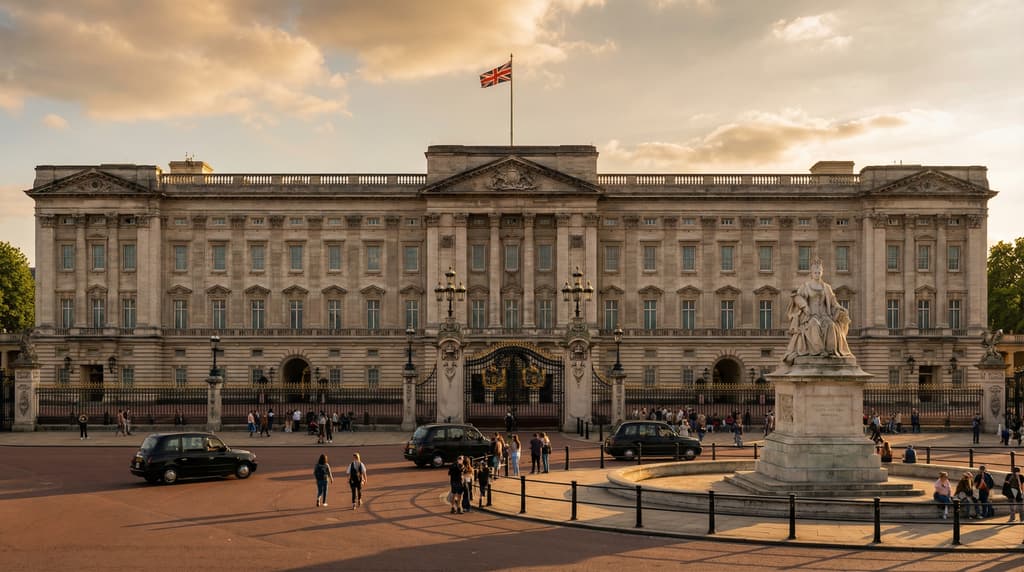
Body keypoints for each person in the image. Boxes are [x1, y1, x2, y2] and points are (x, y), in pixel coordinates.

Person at [783, 257, 852, 365]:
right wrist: (804, 306)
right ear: (811, 273)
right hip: (810, 316)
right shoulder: (805, 286)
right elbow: (796, 297)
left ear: (822, 272)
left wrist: (841, 308)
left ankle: (830, 351)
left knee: (831, 325)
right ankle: (819, 351)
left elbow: (833, 302)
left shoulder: (826, 287)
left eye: (819, 272)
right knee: (814, 325)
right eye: (815, 272)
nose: (817, 274)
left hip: (824, 315)